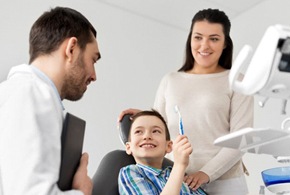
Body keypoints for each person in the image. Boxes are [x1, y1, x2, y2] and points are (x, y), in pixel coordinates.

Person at [118, 8, 253, 194]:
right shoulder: (170, 80)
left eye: (214, 38)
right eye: (198, 37)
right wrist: (143, 117)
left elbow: (241, 139)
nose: (204, 45)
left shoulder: (237, 81)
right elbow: (161, 129)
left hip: (225, 182)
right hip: (179, 180)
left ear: (225, 44)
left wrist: (206, 173)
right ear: (190, 39)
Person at [0, 7, 101, 195]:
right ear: (71, 49)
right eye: (93, 60)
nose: (94, 76)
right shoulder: (30, 94)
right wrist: (82, 191)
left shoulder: (25, 93)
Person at [118, 110, 207, 195]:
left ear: (168, 146)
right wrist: (179, 165)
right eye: (138, 131)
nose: (147, 136)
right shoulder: (131, 173)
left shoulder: (178, 176)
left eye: (155, 131)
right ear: (129, 147)